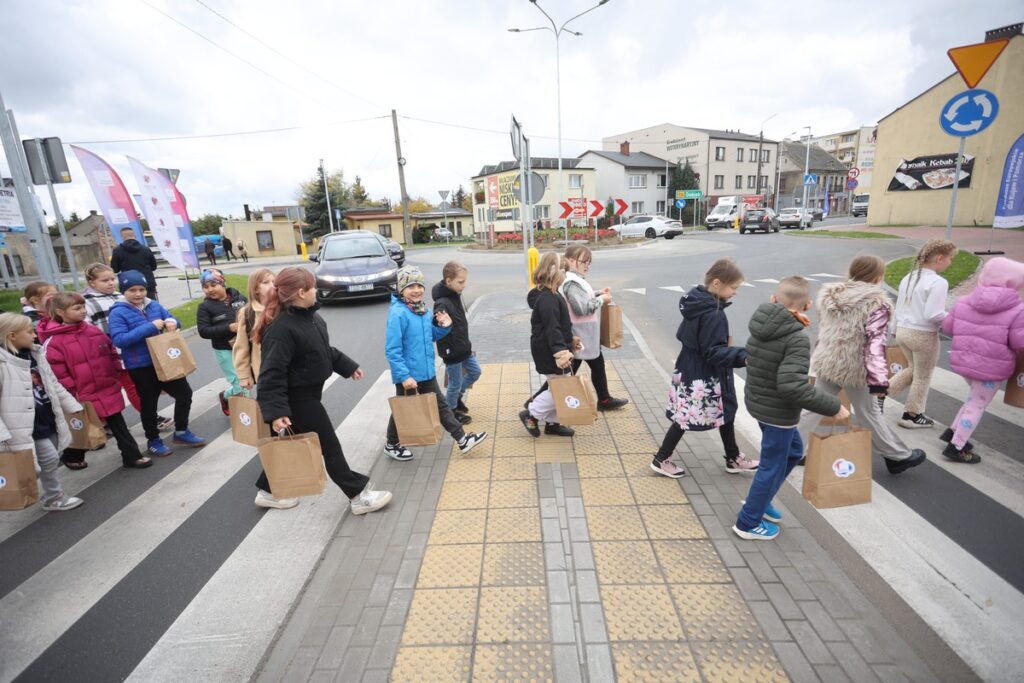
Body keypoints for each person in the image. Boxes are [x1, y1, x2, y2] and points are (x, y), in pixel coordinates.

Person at [255, 267, 391, 513]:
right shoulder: (281, 329)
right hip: (298, 398)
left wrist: (347, 366)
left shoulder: (311, 317)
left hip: (308, 392)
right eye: (313, 286)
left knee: (289, 443)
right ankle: (357, 495)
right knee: (329, 444)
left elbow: (322, 350)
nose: (317, 290)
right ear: (301, 292)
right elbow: (270, 374)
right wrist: (276, 412)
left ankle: (267, 490)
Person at [734, 277, 849, 541]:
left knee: (795, 451)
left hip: (760, 402)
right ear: (807, 305)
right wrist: (833, 406)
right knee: (771, 467)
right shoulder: (796, 338)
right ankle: (748, 521)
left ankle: (759, 501)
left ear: (774, 299)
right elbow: (792, 387)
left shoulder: (761, 324)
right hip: (778, 413)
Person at [799, 255, 927, 474]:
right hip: (855, 367)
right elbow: (875, 345)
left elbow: (824, 329)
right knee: (869, 413)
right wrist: (878, 381)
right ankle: (897, 456)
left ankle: (792, 448)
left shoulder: (830, 296)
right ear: (878, 277)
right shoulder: (878, 303)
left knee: (815, 407)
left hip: (829, 361)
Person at [651, 258, 758, 478]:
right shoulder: (713, 312)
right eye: (734, 287)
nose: (735, 292)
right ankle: (661, 459)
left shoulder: (697, 302)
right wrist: (743, 356)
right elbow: (712, 351)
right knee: (687, 417)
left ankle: (732, 456)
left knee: (724, 411)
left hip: (690, 368)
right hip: (704, 375)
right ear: (717, 283)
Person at [38, 292, 152, 470]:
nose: (83, 311)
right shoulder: (53, 342)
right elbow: (55, 372)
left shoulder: (91, 330)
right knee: (84, 427)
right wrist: (72, 391)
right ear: (60, 312)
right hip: (80, 393)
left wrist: (116, 370)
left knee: (117, 423)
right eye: (77, 308)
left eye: (83, 307)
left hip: (105, 386)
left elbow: (110, 351)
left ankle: (132, 456)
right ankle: (72, 455)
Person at [384, 266, 488, 459]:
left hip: (425, 371)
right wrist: (405, 376)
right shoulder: (398, 314)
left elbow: (430, 336)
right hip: (409, 375)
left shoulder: (423, 310)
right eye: (410, 286)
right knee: (403, 410)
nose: (416, 290)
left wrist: (444, 327)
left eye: (419, 285)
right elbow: (392, 350)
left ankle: (462, 440)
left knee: (438, 406)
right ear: (401, 290)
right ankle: (391, 444)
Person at [107, 270, 206, 456]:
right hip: (140, 366)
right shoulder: (118, 312)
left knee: (184, 394)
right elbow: (119, 339)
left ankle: (182, 431)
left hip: (165, 360)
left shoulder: (154, 305)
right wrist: (150, 327)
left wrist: (172, 322)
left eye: (142, 289)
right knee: (149, 404)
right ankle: (153, 440)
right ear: (123, 291)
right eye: (132, 290)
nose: (138, 294)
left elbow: (173, 320)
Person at [940, 257, 1024, 463]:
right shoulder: (1018, 309)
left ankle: (953, 432)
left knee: (973, 399)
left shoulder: (963, 300)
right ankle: (957, 447)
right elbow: (1018, 342)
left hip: (964, 362)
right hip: (992, 368)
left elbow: (948, 328)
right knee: (977, 405)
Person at [0, 312, 85, 511]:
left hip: (46, 413)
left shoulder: (35, 353)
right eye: (29, 332)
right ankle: (54, 496)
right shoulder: (3, 363)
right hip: (21, 423)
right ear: (12, 336)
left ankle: (51, 495)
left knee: (52, 455)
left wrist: (72, 406)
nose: (34, 335)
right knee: (47, 458)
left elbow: (52, 383)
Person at [82, 263, 172, 431]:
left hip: (126, 350)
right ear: (91, 282)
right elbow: (86, 329)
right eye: (104, 280)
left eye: (112, 279)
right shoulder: (87, 302)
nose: (110, 283)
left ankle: (152, 418)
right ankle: (104, 419)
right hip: (102, 351)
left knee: (131, 385)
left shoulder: (121, 295)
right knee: (106, 388)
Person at [889, 239, 957, 429]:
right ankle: (912, 415)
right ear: (940, 258)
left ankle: (879, 393)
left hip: (903, 330)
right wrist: (953, 317)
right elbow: (933, 314)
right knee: (923, 376)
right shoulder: (938, 282)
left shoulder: (910, 277)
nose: (950, 263)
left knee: (913, 370)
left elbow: (899, 306)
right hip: (923, 334)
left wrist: (894, 328)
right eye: (950, 259)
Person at [559, 245, 628, 410]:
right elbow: (582, 308)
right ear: (570, 260)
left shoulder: (574, 280)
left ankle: (604, 399)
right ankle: (534, 406)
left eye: (589, 262)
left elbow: (581, 299)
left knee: (594, 365)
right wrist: (601, 300)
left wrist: (597, 293)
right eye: (584, 261)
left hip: (585, 337)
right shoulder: (572, 282)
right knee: (567, 374)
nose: (587, 265)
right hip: (580, 337)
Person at [520, 253, 581, 438]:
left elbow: (559, 326)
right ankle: (531, 414)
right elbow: (552, 329)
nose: (566, 276)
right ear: (556, 273)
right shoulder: (548, 299)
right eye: (564, 272)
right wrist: (561, 352)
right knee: (561, 388)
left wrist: (570, 340)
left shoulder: (552, 294)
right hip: (551, 352)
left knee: (560, 385)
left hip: (552, 349)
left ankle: (553, 423)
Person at [431, 261, 479, 424]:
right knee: (454, 383)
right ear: (448, 280)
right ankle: (450, 411)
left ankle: (456, 397)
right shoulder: (442, 303)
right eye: (460, 282)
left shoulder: (454, 295)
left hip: (463, 347)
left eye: (464, 281)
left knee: (475, 372)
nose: (464, 285)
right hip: (452, 350)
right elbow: (439, 329)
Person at [196, 269, 248, 415]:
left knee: (248, 380)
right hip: (223, 349)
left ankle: (226, 395)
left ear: (223, 283)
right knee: (240, 383)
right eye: (205, 287)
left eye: (213, 285)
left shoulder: (240, 299)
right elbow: (204, 331)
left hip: (243, 347)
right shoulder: (205, 308)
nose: (210, 289)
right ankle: (250, 417)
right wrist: (229, 328)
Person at [233, 268, 275, 392]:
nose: (272, 286)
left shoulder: (283, 307)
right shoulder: (247, 313)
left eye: (274, 282)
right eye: (266, 282)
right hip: (264, 372)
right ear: (256, 289)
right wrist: (244, 375)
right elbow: (241, 346)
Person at [110, 227, 159, 300]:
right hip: (147, 283)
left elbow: (115, 269)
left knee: (132, 308)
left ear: (122, 237)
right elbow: (154, 267)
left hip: (129, 284)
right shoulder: (146, 249)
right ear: (134, 236)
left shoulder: (117, 251)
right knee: (152, 307)